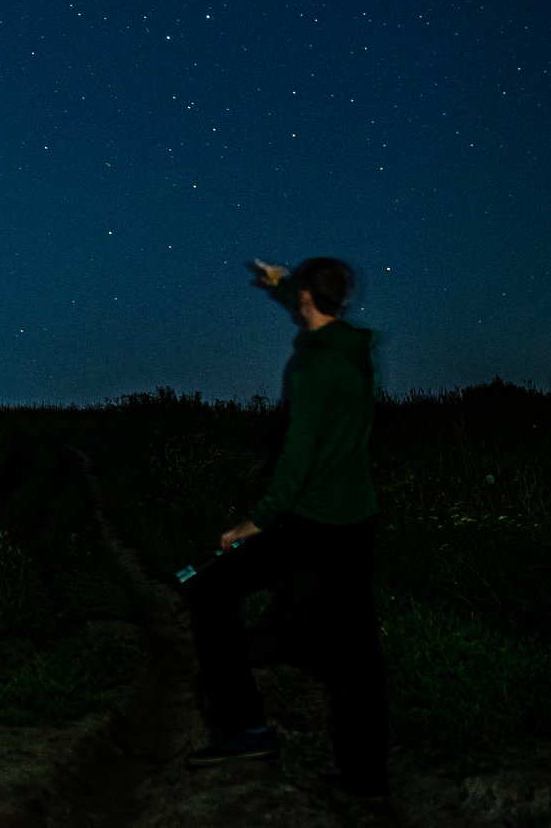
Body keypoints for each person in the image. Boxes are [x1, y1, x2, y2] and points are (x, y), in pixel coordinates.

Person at [184, 256, 390, 803]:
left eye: (298, 292)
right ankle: (365, 780)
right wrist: (281, 283)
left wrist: (255, 523)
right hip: (357, 518)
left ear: (308, 300)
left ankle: (244, 729)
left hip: (310, 518)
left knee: (207, 590)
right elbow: (311, 303)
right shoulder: (354, 348)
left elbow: (296, 459)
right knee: (355, 650)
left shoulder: (312, 368)